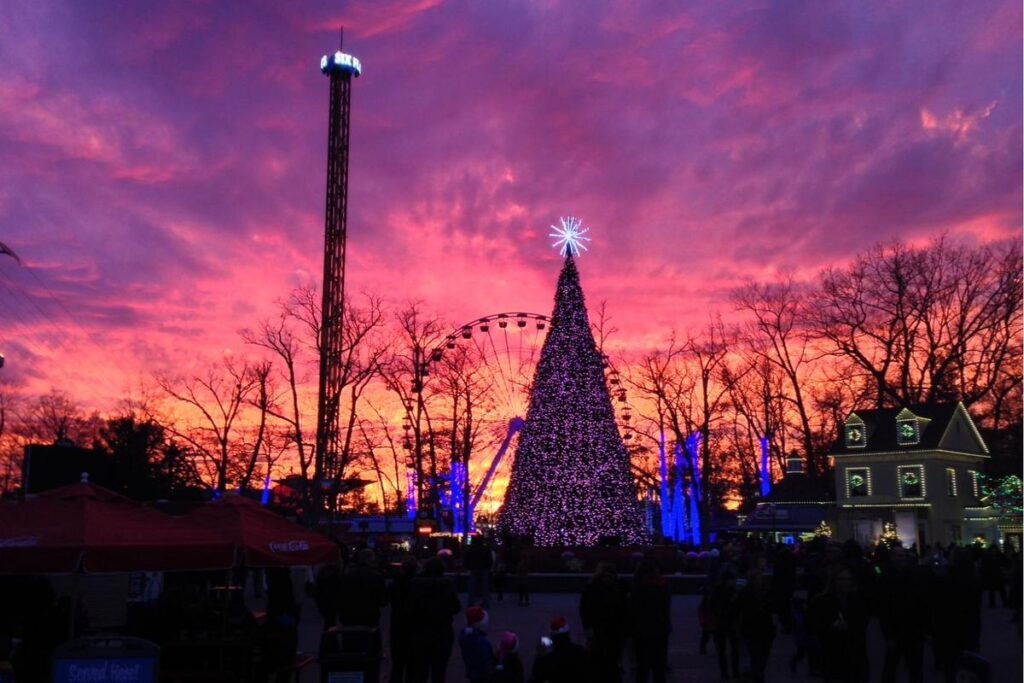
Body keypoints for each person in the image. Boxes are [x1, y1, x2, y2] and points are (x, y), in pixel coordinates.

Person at [808, 566, 870, 683]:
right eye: (841, 579)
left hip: (855, 653)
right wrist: (830, 627)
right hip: (832, 652)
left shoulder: (858, 600)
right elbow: (813, 625)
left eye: (847, 579)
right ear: (834, 581)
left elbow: (863, 622)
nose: (845, 583)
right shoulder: (822, 601)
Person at [409, 556, 462, 682]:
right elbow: (456, 607)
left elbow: (410, 607)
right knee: (439, 670)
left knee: (420, 670)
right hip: (442, 632)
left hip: (421, 631)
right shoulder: (447, 585)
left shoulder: (416, 584)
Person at [579, 562, 627, 682]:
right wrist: (588, 627)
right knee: (599, 657)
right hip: (599, 629)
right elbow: (585, 610)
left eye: (610, 576)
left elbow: (624, 609)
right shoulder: (593, 588)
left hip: (613, 630)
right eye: (606, 576)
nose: (608, 579)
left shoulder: (618, 588)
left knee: (611, 658)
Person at [626, 560, 671, 683]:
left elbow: (633, 609)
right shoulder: (663, 584)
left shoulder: (639, 586)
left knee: (642, 663)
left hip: (642, 629)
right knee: (659, 663)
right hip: (661, 628)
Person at [530, 616, 589, 683]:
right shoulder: (581, 652)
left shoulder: (547, 661)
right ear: (568, 633)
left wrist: (539, 655)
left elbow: (535, 677)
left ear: (552, 636)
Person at [389, 557, 419, 683]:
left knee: (397, 661)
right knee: (412, 661)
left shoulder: (394, 584)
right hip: (414, 625)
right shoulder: (418, 585)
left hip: (397, 623)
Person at [708, 568, 741, 681]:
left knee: (731, 650)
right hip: (723, 623)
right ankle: (728, 672)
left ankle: (731, 672)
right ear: (728, 580)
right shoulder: (728, 592)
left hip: (725, 623)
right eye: (733, 579)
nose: (735, 581)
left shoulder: (723, 591)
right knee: (726, 650)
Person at [458, 606, 495, 683]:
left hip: (472, 672)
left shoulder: (465, 636)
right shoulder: (481, 641)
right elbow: (487, 661)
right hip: (482, 675)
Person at [465, 538, 495, 608]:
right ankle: (485, 603)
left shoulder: (471, 549)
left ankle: (471, 602)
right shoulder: (486, 549)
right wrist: (488, 567)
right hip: (484, 569)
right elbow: (490, 559)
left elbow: (467, 558)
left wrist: (468, 567)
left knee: (472, 587)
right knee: (484, 587)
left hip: (473, 569)